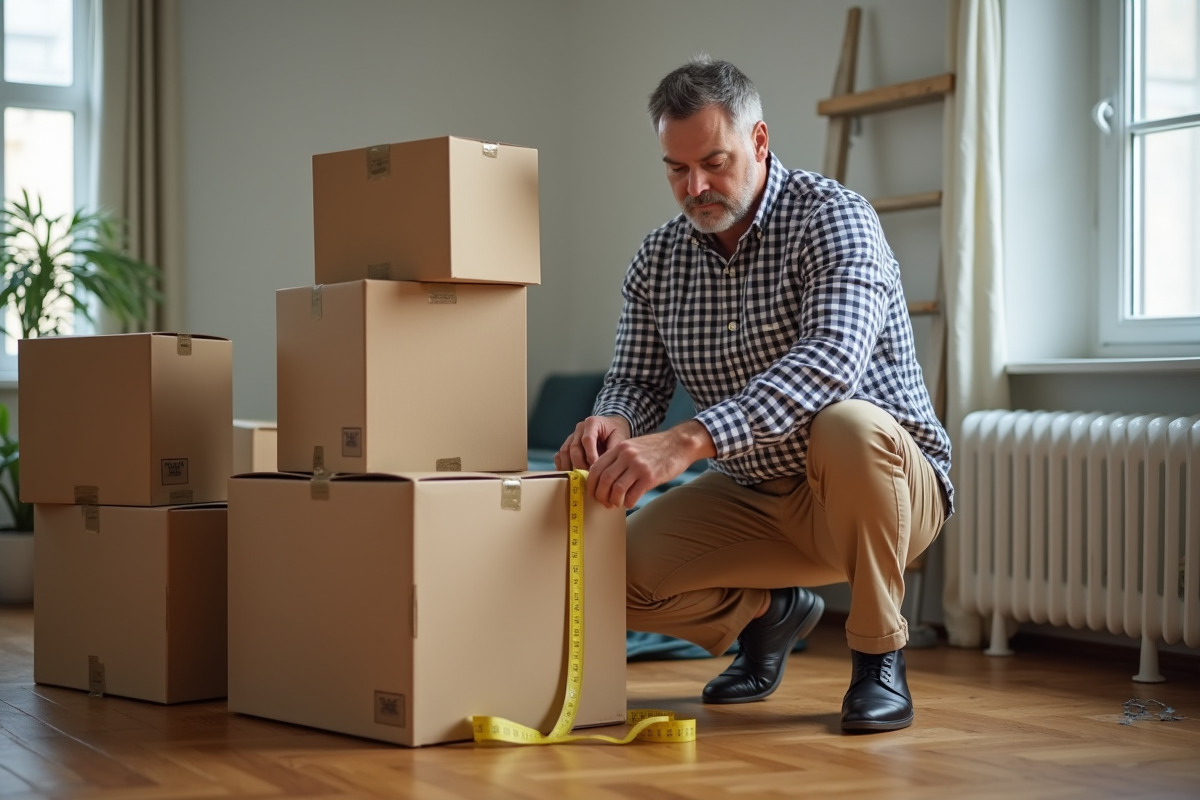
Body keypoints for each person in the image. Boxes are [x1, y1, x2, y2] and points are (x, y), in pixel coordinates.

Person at [554, 56, 952, 734]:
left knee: (847, 424)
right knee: (602, 579)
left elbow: (830, 364)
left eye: (714, 161)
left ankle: (880, 656)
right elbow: (638, 379)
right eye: (676, 170)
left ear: (760, 142)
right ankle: (769, 613)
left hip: (879, 489)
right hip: (754, 495)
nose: (696, 187)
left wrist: (687, 440)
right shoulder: (658, 259)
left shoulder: (836, 219)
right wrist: (611, 420)